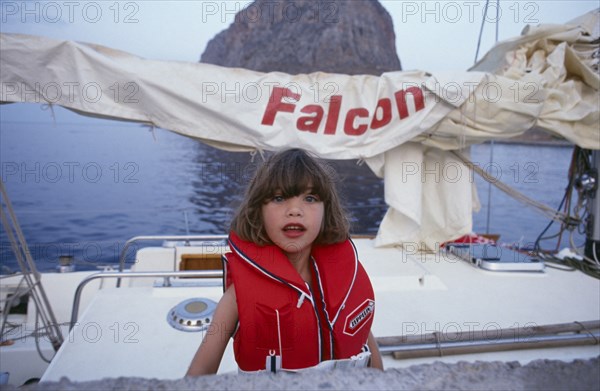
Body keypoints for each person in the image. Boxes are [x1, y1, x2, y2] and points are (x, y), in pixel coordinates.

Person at [186, 148, 383, 376]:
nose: (295, 211)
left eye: (310, 198)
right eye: (279, 198)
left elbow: (368, 349)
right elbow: (199, 374)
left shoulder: (346, 280)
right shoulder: (236, 297)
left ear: (326, 211)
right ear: (258, 211)